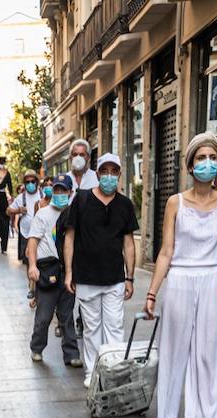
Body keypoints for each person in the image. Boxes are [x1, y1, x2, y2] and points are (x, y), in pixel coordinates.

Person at [144, 133, 217, 418]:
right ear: (190, 165)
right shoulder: (175, 203)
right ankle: (166, 412)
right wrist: (152, 292)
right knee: (173, 346)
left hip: (212, 278)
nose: (207, 163)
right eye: (201, 158)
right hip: (181, 277)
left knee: (208, 352)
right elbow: (166, 252)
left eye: (212, 157)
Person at [62, 152, 139, 385]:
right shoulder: (82, 200)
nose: (109, 176)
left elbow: (128, 242)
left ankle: (113, 372)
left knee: (115, 326)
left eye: (113, 172)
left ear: (119, 175)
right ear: (97, 174)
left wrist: (130, 277)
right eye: (104, 171)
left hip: (115, 277)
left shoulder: (125, 205)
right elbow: (70, 237)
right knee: (92, 329)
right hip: (86, 277)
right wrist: (69, 272)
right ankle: (92, 373)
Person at [26, 175, 81, 369]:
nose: (58, 194)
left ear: (70, 192)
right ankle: (37, 347)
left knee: (67, 316)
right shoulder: (43, 214)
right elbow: (32, 242)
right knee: (44, 315)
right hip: (47, 270)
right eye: (56, 190)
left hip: (68, 271)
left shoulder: (75, 214)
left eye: (62, 190)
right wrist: (32, 266)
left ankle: (72, 354)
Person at [9, 169, 44, 264]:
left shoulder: (43, 195)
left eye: (32, 181)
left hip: (42, 235)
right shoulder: (21, 197)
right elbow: (8, 211)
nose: (30, 184)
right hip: (26, 235)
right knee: (28, 262)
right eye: (27, 182)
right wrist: (18, 210)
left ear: (37, 182)